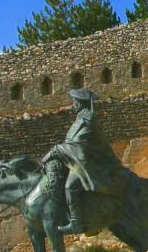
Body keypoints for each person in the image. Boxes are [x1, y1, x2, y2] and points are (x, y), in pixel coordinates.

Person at [43, 88, 122, 234]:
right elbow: (70, 142)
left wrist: (55, 151)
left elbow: (77, 144)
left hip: (93, 162)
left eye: (75, 102)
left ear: (81, 103)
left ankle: (76, 223)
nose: (74, 105)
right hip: (80, 160)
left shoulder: (88, 119)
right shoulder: (80, 118)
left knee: (70, 187)